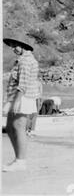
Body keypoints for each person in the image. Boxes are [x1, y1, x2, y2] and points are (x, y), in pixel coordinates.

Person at [3, 37, 41, 172]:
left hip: (22, 97)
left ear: (23, 46)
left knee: (18, 127)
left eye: (15, 46)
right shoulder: (23, 60)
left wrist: (16, 101)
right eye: (12, 46)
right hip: (18, 96)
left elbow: (23, 84)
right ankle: (18, 159)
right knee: (9, 127)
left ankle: (21, 161)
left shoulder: (25, 61)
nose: (13, 49)